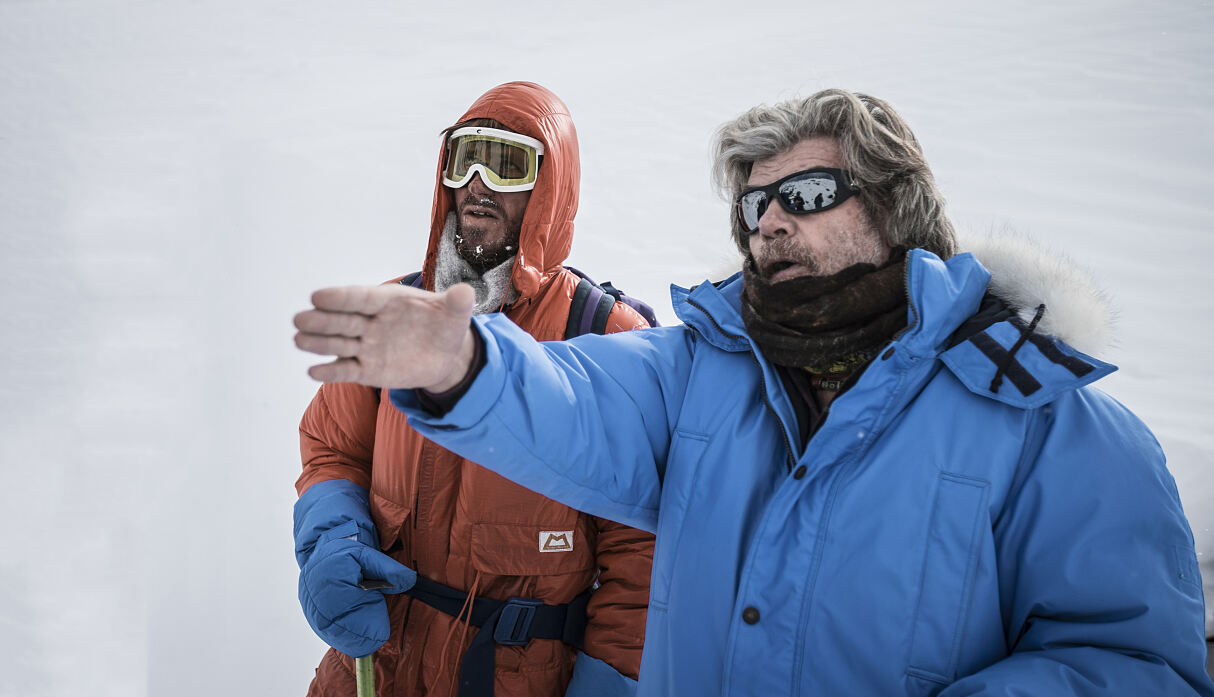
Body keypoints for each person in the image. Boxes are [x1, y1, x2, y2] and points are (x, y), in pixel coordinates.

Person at [294, 89, 1214, 696]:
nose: (768, 219)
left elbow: (1134, 662)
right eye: (752, 204)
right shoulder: (703, 373)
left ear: (897, 208)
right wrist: (462, 370)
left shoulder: (1046, 421)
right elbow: (574, 403)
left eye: (805, 192)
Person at [291, 81, 655, 697]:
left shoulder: (603, 334)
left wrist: (610, 683)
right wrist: (334, 537)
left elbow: (641, 547)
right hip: (376, 670)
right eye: (467, 159)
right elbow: (334, 449)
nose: (480, 183)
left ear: (549, 188)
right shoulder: (396, 314)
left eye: (509, 164)